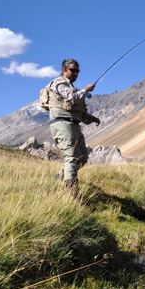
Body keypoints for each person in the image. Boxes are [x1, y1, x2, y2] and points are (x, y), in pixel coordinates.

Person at [47, 59, 100, 195]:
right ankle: (72, 192)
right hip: (63, 124)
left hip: (73, 124)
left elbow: (75, 108)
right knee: (72, 157)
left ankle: (60, 177)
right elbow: (72, 98)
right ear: (64, 70)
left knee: (82, 158)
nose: (76, 73)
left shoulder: (71, 87)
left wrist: (92, 118)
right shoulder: (59, 82)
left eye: (77, 71)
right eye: (73, 70)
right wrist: (86, 90)